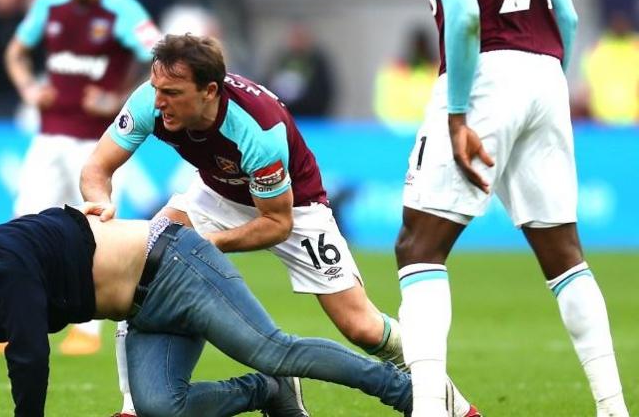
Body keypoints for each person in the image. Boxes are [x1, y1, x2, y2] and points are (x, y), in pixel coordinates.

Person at [81, 34, 478, 417]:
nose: (159, 101)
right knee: (142, 260)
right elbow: (97, 168)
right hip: (216, 194)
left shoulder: (257, 130)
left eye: (172, 93)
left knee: (362, 327)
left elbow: (277, 224)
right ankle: (133, 407)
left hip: (294, 208)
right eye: (156, 88)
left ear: (209, 91)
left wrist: (205, 244)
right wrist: (99, 202)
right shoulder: (151, 100)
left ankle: (452, 403)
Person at [382, 0, 630, 416]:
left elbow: (464, 14)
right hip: (545, 72)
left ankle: (426, 409)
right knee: (565, 254)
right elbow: (566, 13)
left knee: (418, 248)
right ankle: (614, 408)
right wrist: (543, 84)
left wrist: (462, 111)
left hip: (486, 72)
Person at [0, 205, 424, 417]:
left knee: (271, 348)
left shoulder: (2, 270)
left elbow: (29, 360)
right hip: (144, 308)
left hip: (176, 266)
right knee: (160, 410)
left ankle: (411, 395)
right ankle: (266, 391)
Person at [0, 0, 161, 356]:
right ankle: (12, 322)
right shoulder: (50, 5)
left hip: (99, 144)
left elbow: (162, 58)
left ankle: (88, 331)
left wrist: (119, 98)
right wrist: (30, 90)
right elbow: (15, 52)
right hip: (49, 136)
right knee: (21, 226)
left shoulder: (123, 10)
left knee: (95, 234)